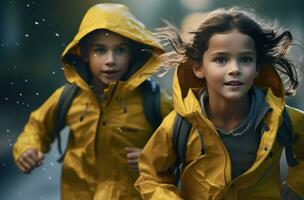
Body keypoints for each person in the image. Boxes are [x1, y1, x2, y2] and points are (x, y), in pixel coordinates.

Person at [135, 7, 304, 199]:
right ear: (198, 68)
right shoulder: (179, 125)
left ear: (257, 68)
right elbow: (150, 175)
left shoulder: (283, 119)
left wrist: (295, 192)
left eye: (246, 59)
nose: (235, 69)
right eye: (221, 59)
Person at [13, 3, 172, 199]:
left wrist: (155, 160)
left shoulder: (155, 101)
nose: (110, 60)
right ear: (85, 53)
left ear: (132, 55)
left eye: (120, 50)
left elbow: (186, 148)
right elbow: (37, 127)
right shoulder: (69, 97)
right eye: (100, 50)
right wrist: (28, 148)